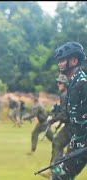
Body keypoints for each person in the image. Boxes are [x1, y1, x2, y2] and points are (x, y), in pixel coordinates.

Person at [50, 42, 87, 180]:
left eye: (63, 60)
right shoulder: (72, 84)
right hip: (77, 144)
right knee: (59, 176)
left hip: (84, 144)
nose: (60, 63)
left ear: (74, 61)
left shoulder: (83, 83)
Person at [40, 74, 72, 179]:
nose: (58, 84)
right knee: (61, 144)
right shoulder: (71, 93)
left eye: (60, 82)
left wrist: (53, 119)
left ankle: (56, 171)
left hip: (72, 126)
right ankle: (54, 170)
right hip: (76, 125)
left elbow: (65, 116)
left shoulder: (64, 95)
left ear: (65, 84)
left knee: (57, 142)